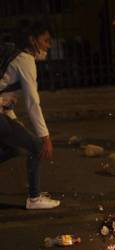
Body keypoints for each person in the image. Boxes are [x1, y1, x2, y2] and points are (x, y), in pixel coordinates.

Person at [0, 20, 60, 208]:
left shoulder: (18, 57)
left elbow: (6, 95)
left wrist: (14, 120)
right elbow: (32, 103)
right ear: (32, 40)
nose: (48, 45)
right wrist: (45, 137)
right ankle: (34, 199)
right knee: (36, 146)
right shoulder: (25, 61)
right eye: (45, 40)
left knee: (14, 148)